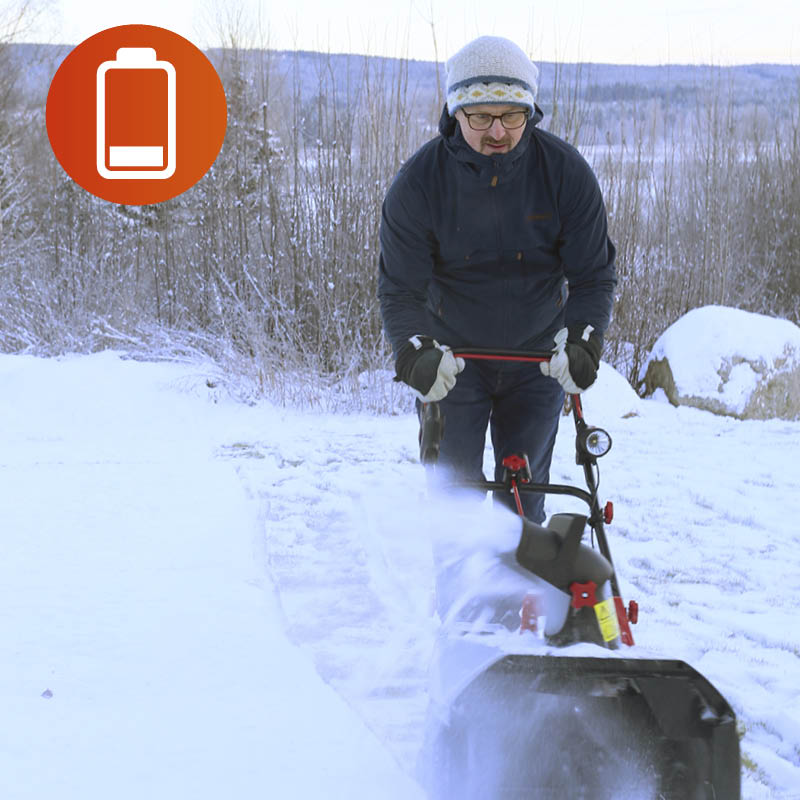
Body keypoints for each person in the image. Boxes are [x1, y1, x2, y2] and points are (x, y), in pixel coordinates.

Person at [378, 35, 616, 524]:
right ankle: (460, 601)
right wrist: (413, 351)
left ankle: (519, 600)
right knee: (456, 509)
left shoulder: (565, 174)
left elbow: (593, 275)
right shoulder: (419, 184)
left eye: (512, 116)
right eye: (480, 116)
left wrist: (584, 343)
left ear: (530, 112)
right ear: (454, 112)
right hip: (452, 365)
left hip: (538, 364)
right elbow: (400, 288)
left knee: (524, 508)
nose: (498, 132)